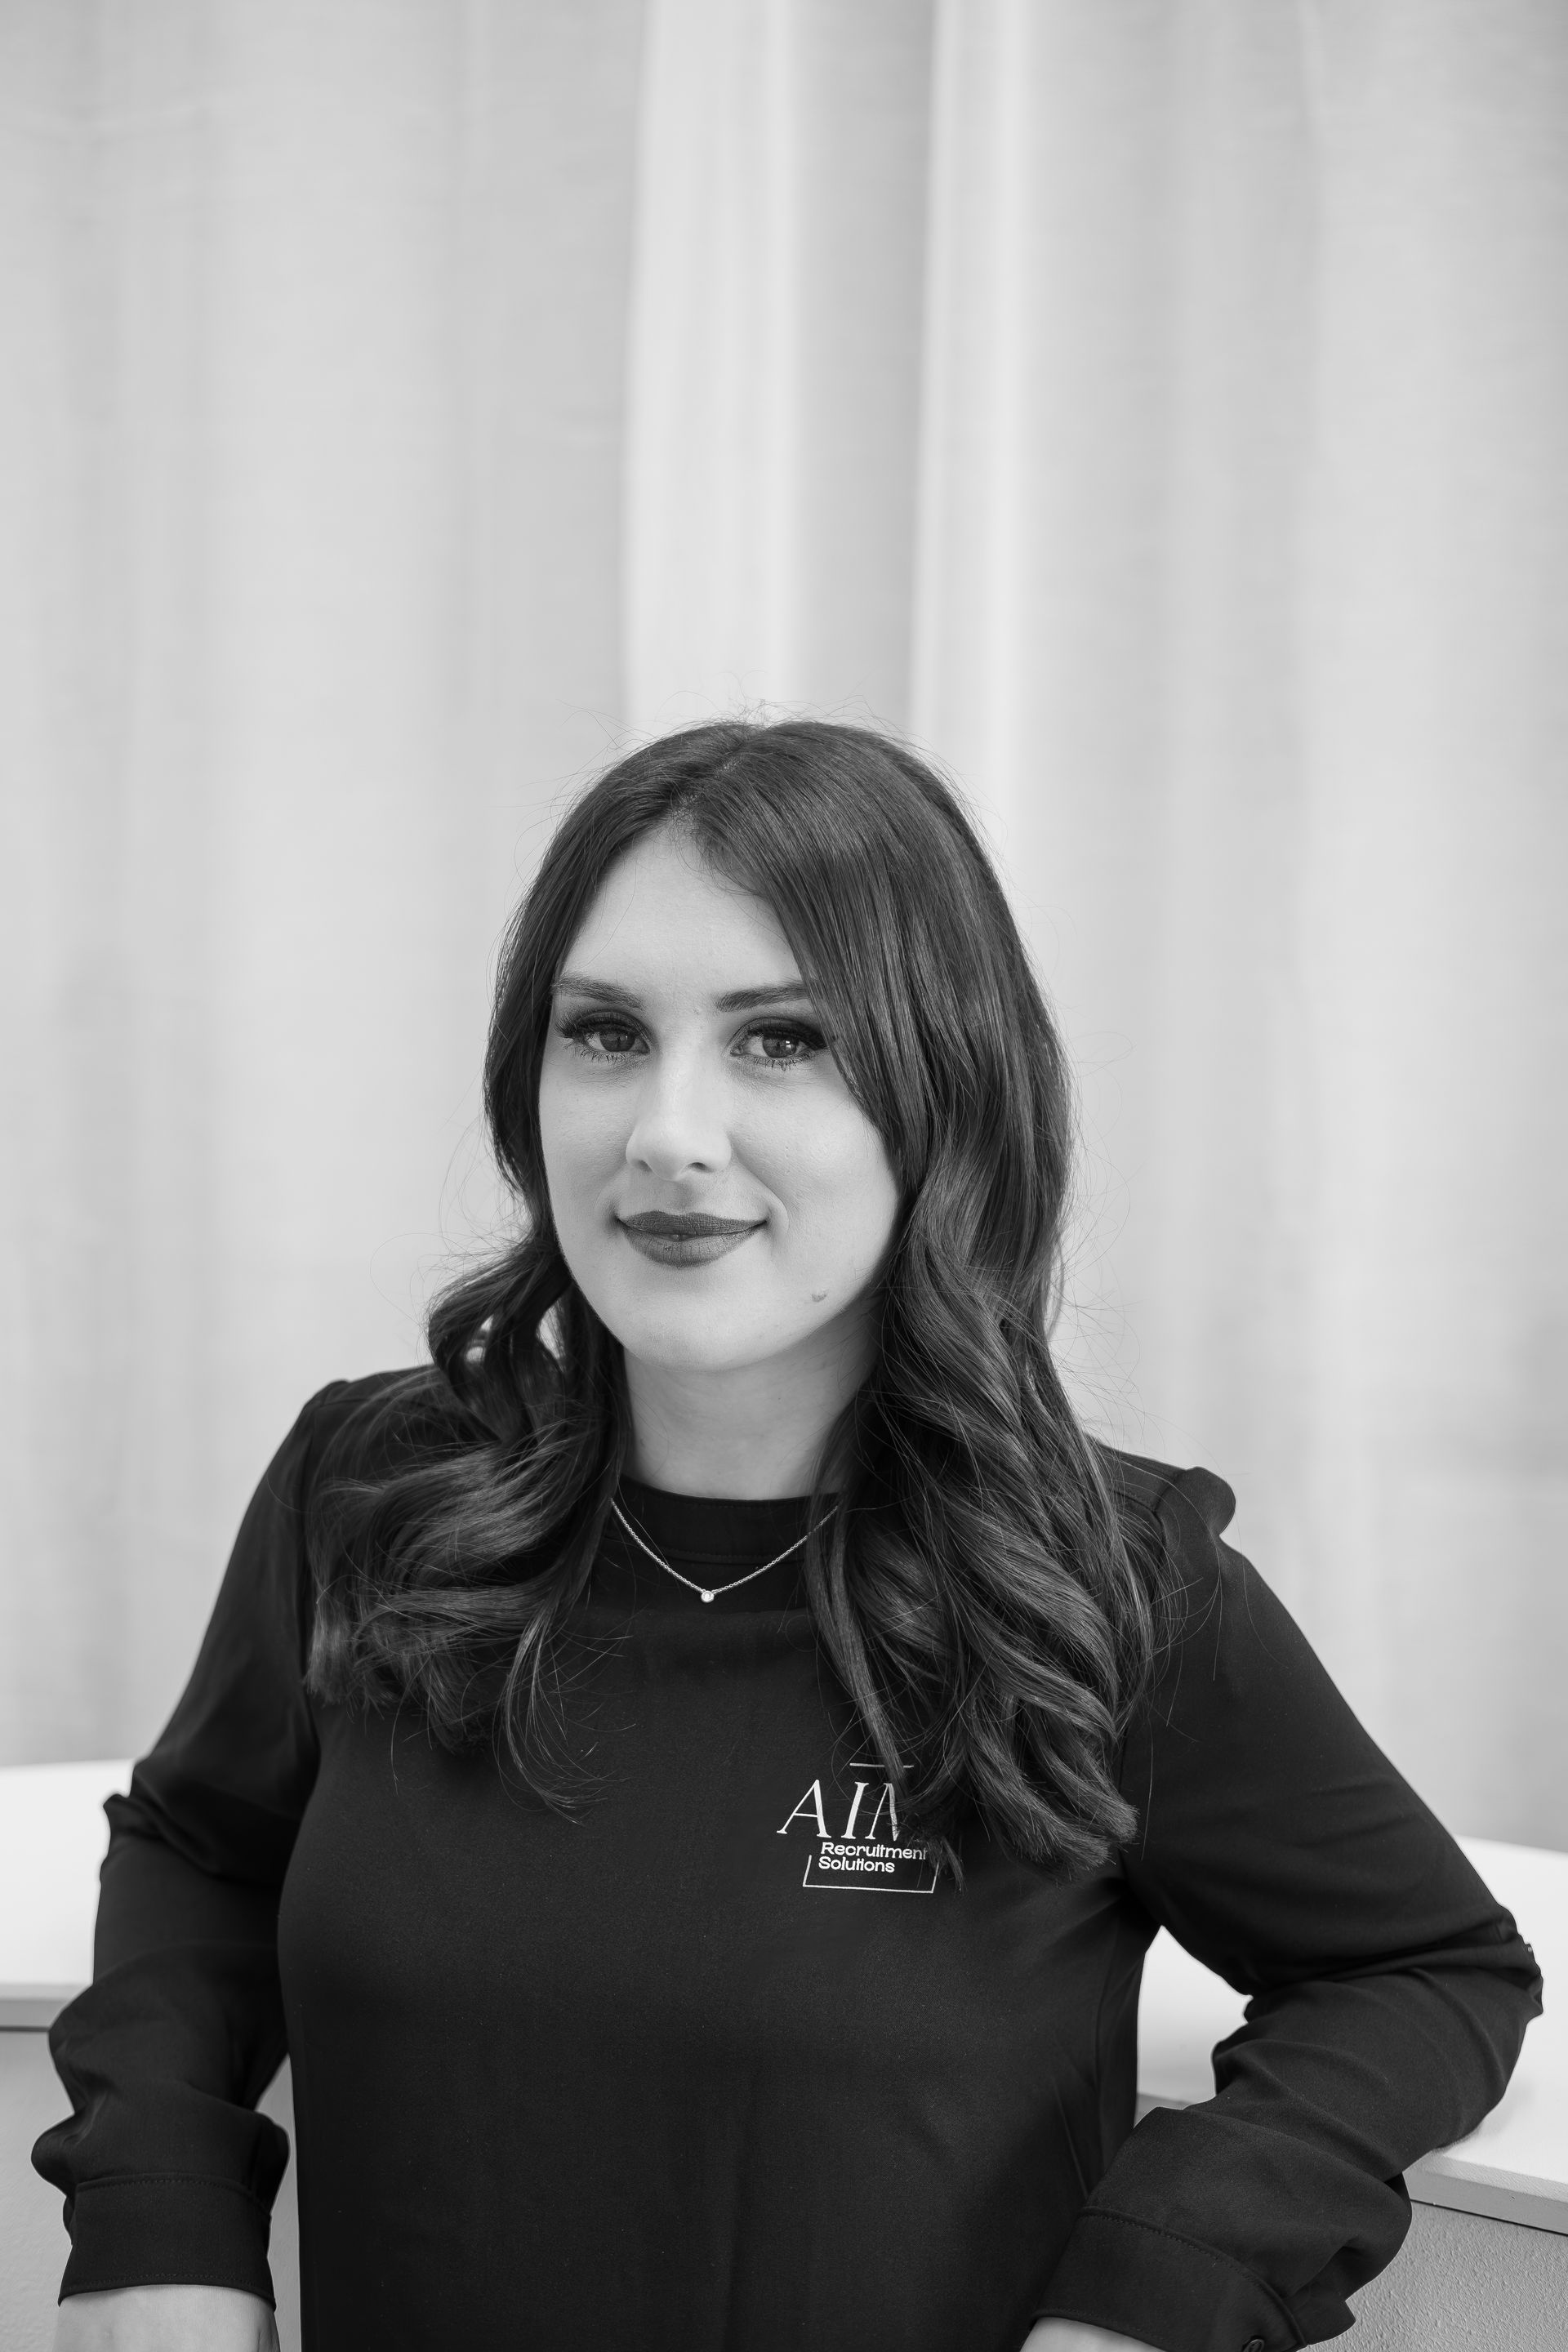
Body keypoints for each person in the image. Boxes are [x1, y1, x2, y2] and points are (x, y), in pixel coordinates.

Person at [35, 720, 1540, 2352]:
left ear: (938, 1094)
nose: (669, 1132)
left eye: (784, 1042)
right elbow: (202, 1848)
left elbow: (1426, 1967)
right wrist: (158, 2221)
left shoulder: (1105, 1582)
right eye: (605, 1033)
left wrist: (1161, 2284)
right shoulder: (377, 1492)